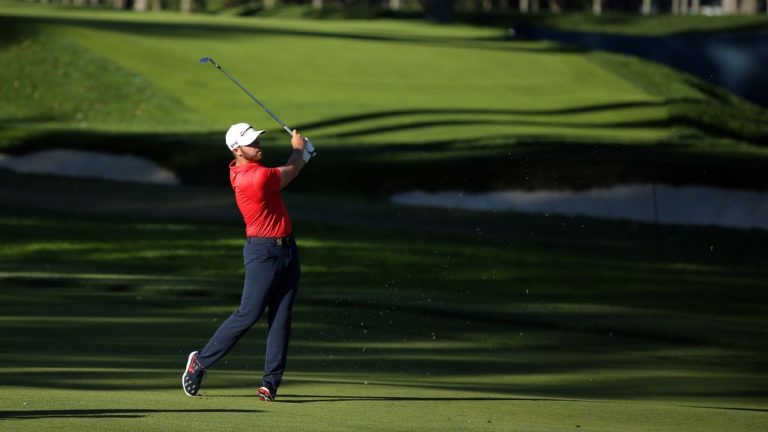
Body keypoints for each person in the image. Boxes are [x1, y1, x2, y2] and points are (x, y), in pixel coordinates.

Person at [182, 122, 314, 402]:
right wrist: (300, 152)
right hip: (263, 253)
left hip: (288, 250)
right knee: (248, 314)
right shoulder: (251, 178)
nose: (257, 145)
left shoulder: (251, 170)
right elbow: (288, 173)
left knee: (281, 318)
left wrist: (301, 156)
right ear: (236, 150)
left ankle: (270, 384)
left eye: (257, 140)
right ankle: (200, 362)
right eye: (251, 142)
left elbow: (290, 169)